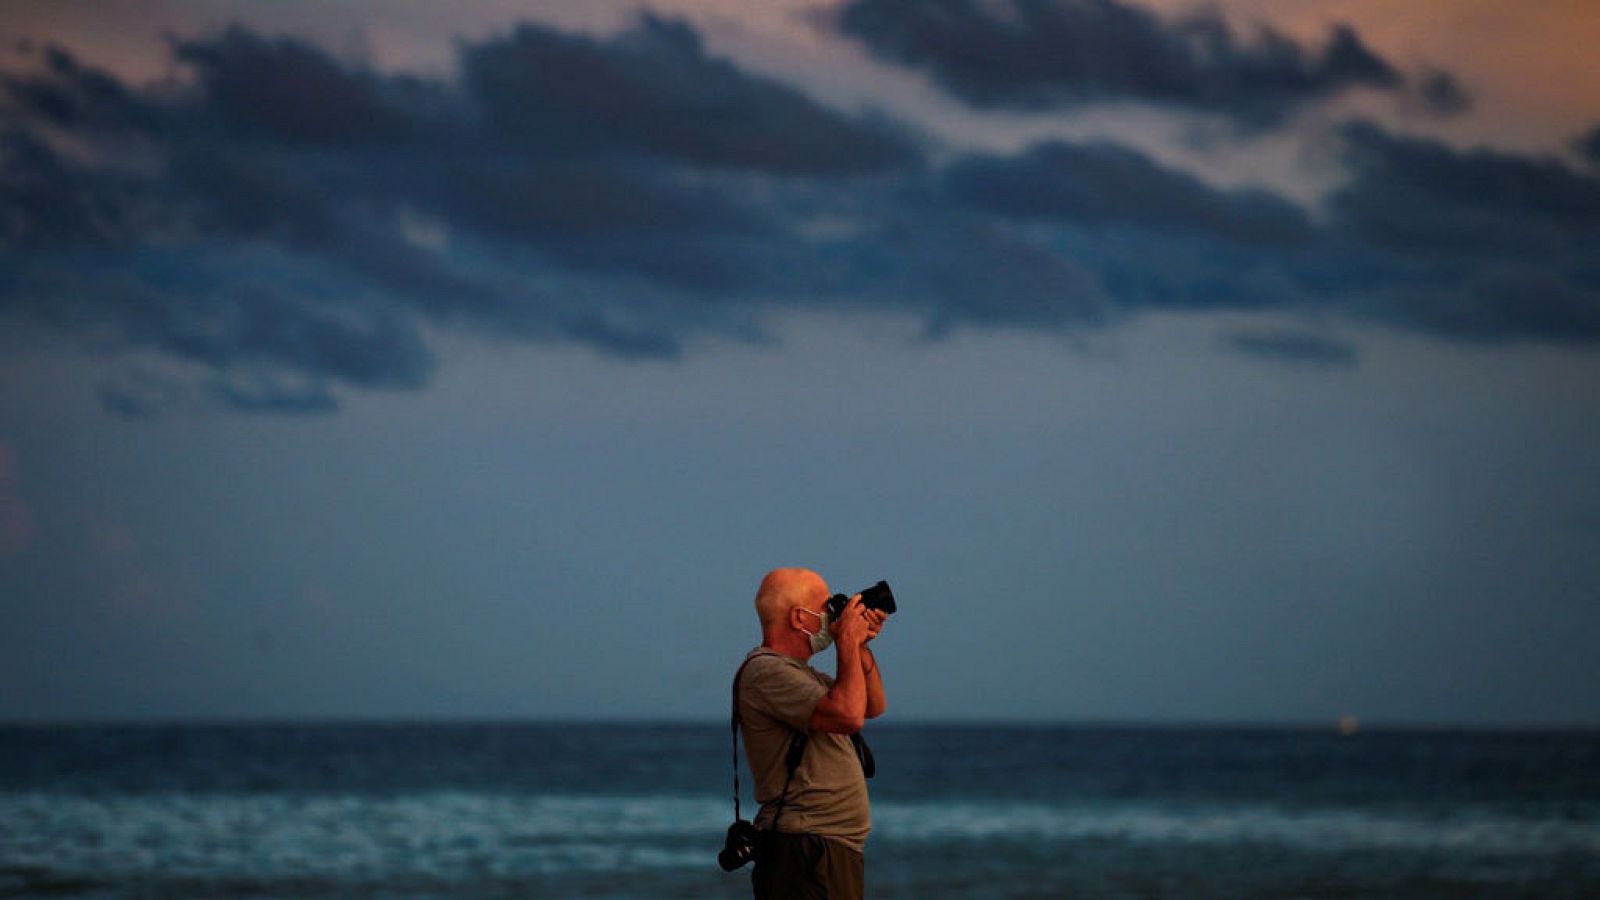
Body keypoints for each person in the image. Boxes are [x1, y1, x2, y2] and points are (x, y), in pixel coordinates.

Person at [736, 567, 888, 900]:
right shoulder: (766, 671)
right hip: (806, 850)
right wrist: (845, 640)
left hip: (822, 848)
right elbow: (848, 715)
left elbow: (872, 705)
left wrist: (859, 646)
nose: (832, 617)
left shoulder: (804, 676)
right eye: (826, 607)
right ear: (798, 617)